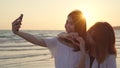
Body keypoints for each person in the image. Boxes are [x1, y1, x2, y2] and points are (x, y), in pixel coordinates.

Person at [12, 10, 89, 68]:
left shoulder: (86, 46)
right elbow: (37, 40)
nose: (67, 26)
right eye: (67, 22)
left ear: (79, 26)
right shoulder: (59, 41)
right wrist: (18, 32)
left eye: (71, 23)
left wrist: (83, 51)